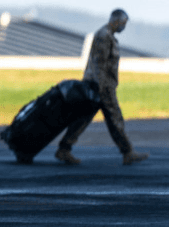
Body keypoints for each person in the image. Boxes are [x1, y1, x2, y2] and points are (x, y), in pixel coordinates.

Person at [55, 9, 149, 166]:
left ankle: (64, 149)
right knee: (115, 118)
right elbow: (100, 64)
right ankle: (127, 152)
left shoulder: (106, 36)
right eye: (123, 23)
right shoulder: (104, 36)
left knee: (83, 119)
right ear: (116, 21)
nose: (123, 27)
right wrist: (101, 88)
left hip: (99, 85)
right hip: (101, 87)